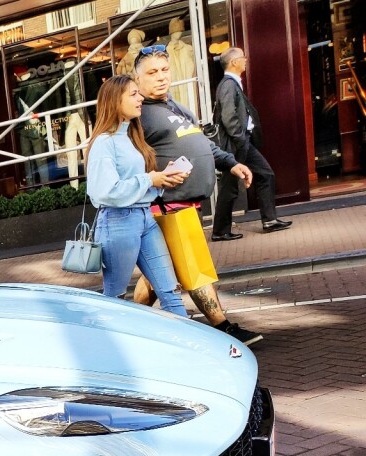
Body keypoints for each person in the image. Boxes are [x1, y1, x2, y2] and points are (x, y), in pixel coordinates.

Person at [129, 46, 264, 345]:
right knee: (194, 267)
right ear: (136, 79)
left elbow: (206, 146)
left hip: (186, 203)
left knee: (157, 273)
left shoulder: (177, 107)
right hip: (167, 205)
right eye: (152, 73)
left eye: (164, 70)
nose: (161, 77)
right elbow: (124, 157)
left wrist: (232, 163)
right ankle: (223, 327)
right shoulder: (137, 115)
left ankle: (126, 324)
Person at [85, 75, 189, 316]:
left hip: (145, 219)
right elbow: (106, 192)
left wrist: (162, 179)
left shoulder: (131, 137)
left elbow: (138, 185)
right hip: (117, 222)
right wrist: (150, 179)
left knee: (170, 292)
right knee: (115, 298)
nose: (140, 98)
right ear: (114, 100)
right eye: (133, 94)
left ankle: (187, 350)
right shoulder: (104, 142)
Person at [213, 47, 290, 238]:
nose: (246, 60)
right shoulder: (228, 85)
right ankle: (220, 231)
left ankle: (270, 220)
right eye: (242, 57)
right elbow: (228, 116)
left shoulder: (232, 84)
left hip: (241, 142)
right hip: (236, 144)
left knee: (265, 173)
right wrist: (240, 139)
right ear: (233, 62)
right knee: (229, 187)